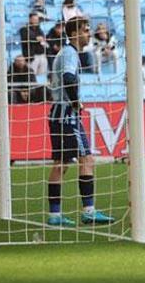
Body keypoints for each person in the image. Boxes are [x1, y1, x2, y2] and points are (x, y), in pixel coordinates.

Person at [46, 17, 115, 226]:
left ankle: (55, 215)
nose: (89, 34)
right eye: (85, 30)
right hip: (67, 114)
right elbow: (68, 78)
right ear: (74, 33)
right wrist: (76, 102)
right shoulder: (69, 54)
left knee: (61, 164)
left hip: (58, 112)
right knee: (86, 159)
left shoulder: (66, 53)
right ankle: (89, 211)